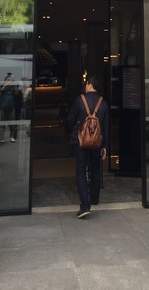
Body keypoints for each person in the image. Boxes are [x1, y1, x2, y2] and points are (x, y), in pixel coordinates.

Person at [67, 76, 108, 219]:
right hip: (97, 143)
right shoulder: (103, 103)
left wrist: (72, 134)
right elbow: (105, 127)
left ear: (90, 85)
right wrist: (104, 146)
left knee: (81, 171)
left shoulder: (80, 100)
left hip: (80, 142)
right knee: (96, 169)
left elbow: (70, 119)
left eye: (86, 84)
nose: (85, 86)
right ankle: (94, 199)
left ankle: (85, 206)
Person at [0, 73, 18, 142]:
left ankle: (11, 137)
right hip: (3, 107)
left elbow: (16, 92)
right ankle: (2, 137)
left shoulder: (13, 88)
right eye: (7, 79)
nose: (9, 80)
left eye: (10, 79)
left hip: (11, 107)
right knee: (2, 123)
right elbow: (2, 89)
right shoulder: (3, 86)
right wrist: (10, 81)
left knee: (12, 123)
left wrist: (14, 83)